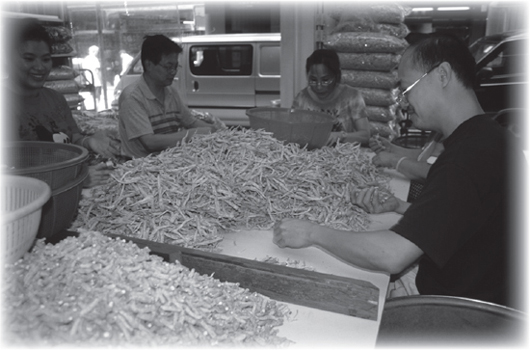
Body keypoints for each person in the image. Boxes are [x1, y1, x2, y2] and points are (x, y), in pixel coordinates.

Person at [273, 33, 525, 309]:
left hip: (461, 314)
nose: (404, 102)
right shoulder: (483, 139)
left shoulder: (469, 157)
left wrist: (312, 233)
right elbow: (463, 217)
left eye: (407, 89)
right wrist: (400, 206)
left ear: (442, 75)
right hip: (471, 291)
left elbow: (392, 254)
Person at [3, 18, 120, 188]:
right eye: (29, 59)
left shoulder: (55, 98)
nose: (40, 67)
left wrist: (89, 142)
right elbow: (11, 177)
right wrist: (77, 179)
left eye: (45, 59)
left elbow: (71, 138)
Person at [118, 35, 221, 159]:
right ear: (149, 65)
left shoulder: (170, 91)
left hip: (167, 162)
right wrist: (190, 135)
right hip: (140, 167)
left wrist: (217, 131)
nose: (173, 72)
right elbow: (150, 142)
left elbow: (190, 122)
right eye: (168, 67)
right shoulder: (132, 98)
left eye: (175, 67)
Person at [292, 49, 371, 146]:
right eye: (313, 80)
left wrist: (341, 136)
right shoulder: (302, 99)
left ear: (336, 76)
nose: (319, 86)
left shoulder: (351, 97)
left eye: (325, 80)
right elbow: (293, 132)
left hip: (343, 156)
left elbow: (365, 135)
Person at [369, 132, 444, 182]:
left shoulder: (451, 135)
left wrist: (394, 160)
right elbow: (423, 156)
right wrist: (391, 149)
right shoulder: (438, 132)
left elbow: (435, 171)